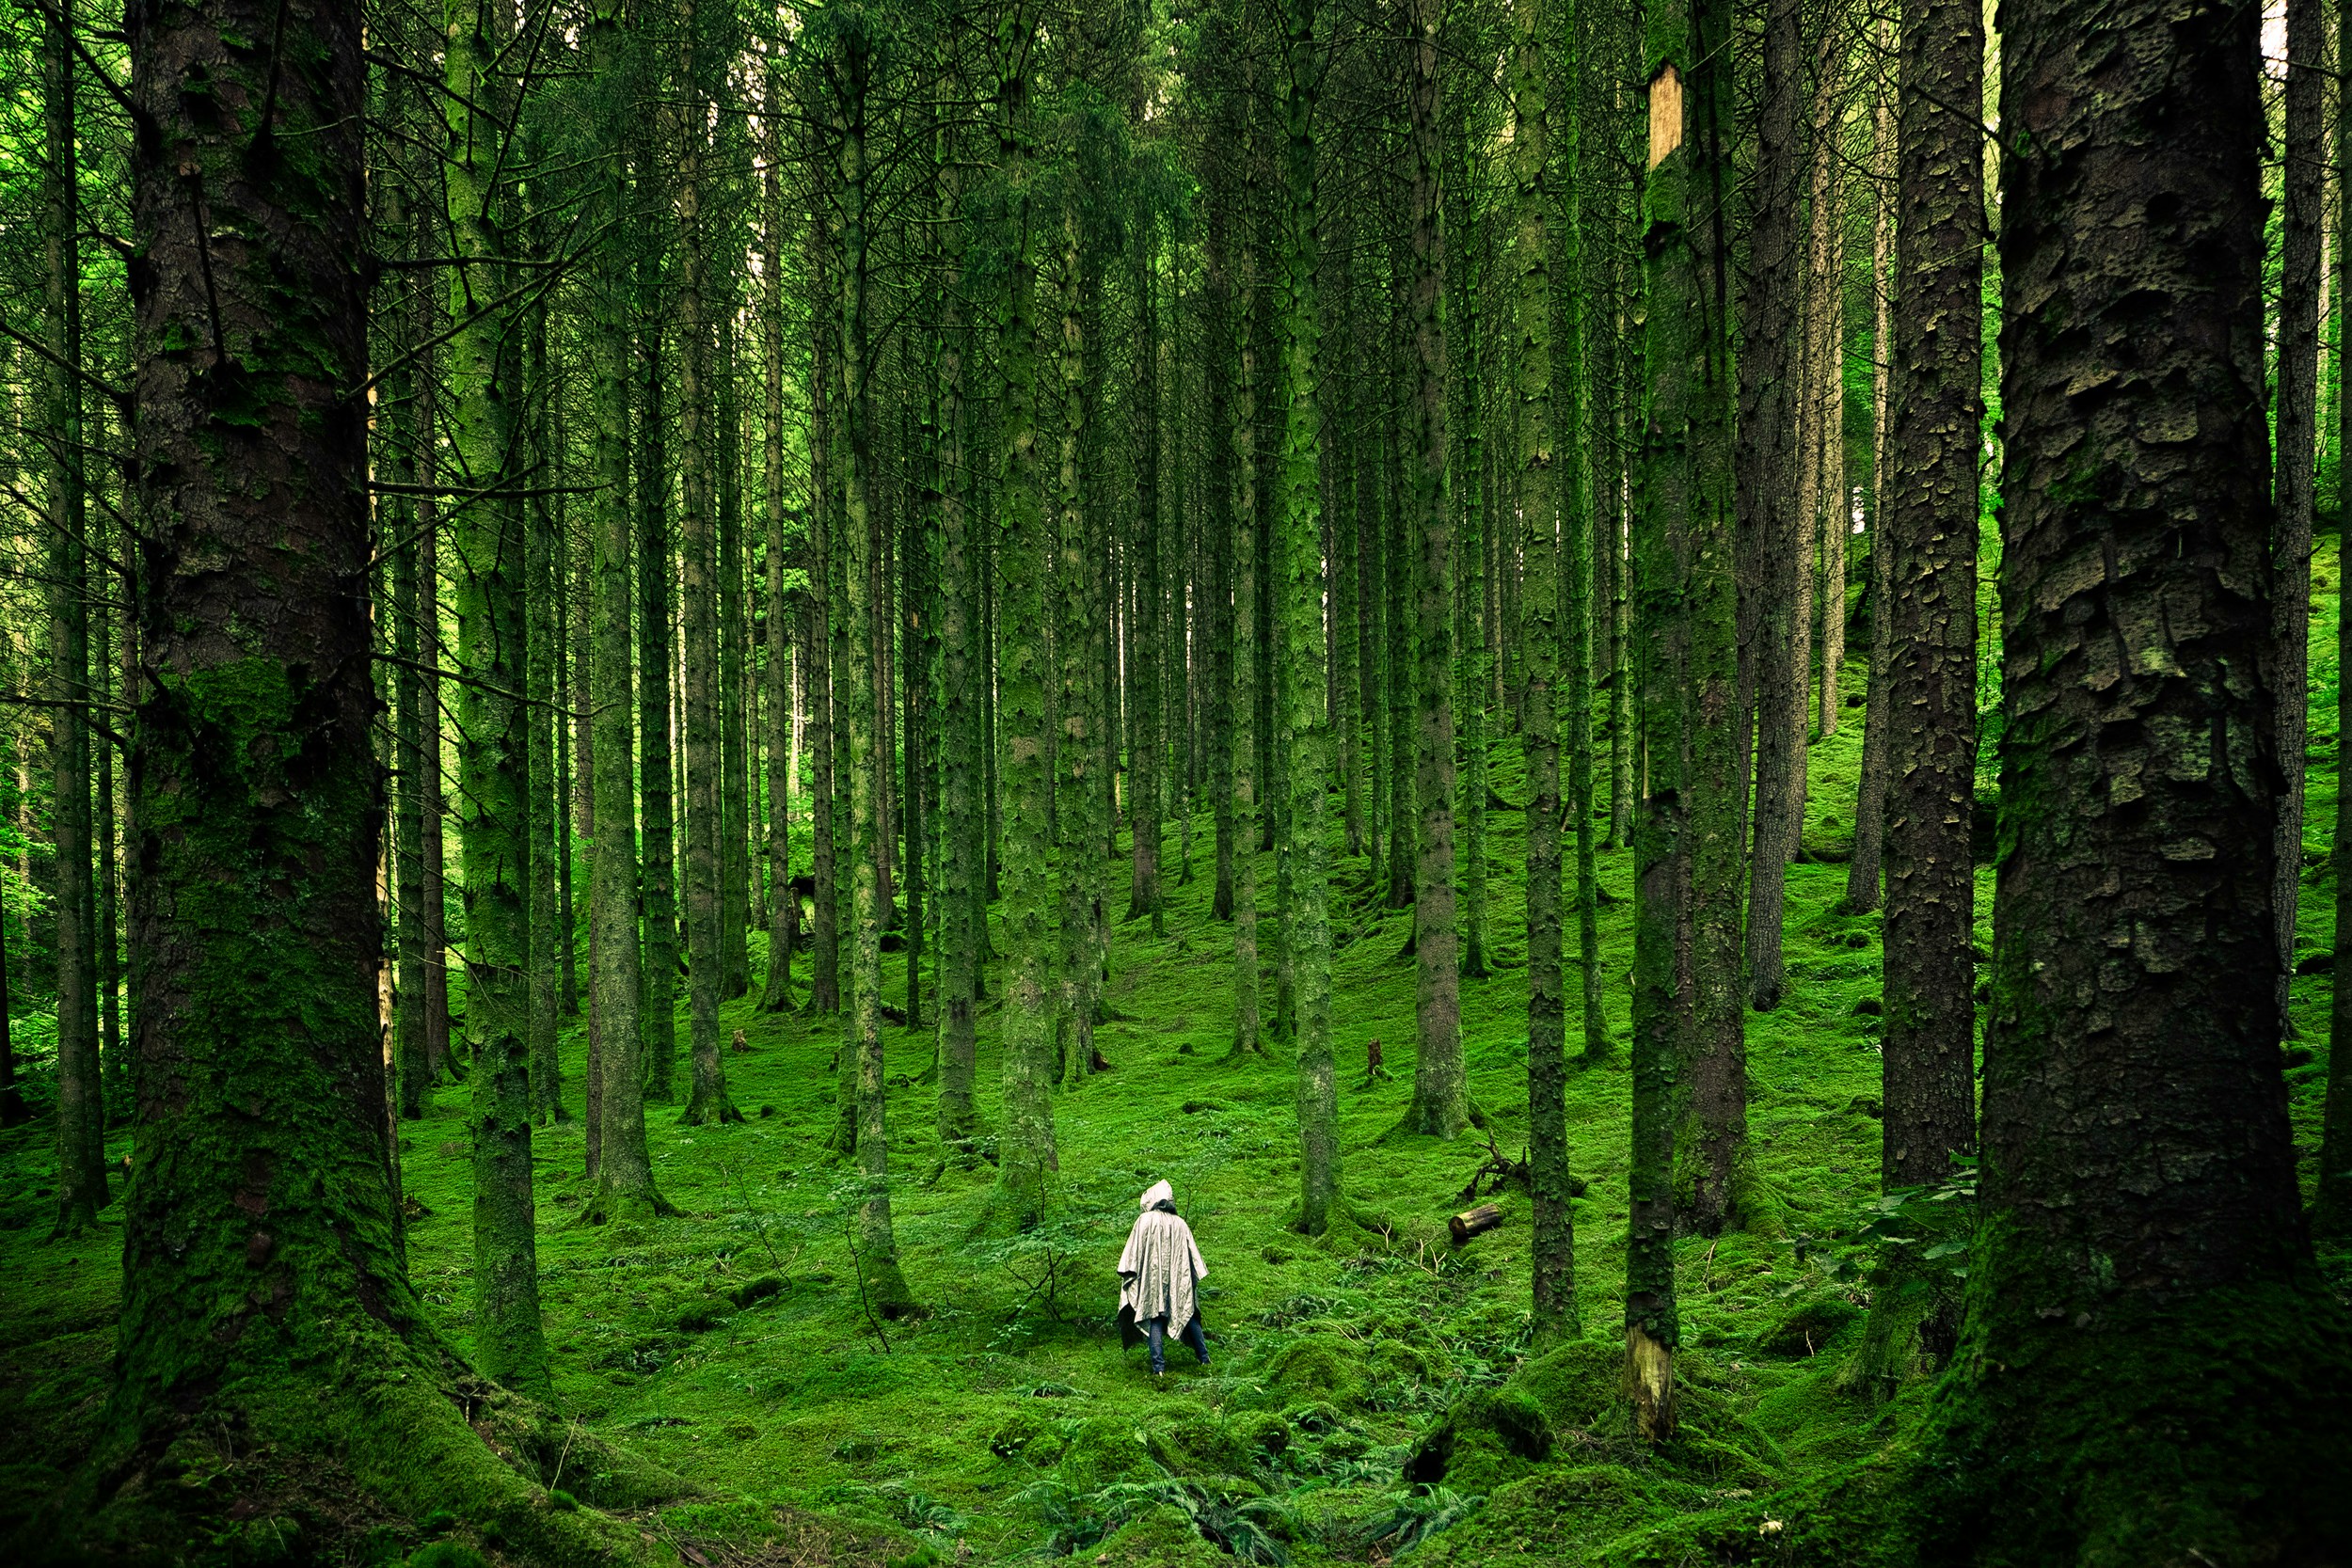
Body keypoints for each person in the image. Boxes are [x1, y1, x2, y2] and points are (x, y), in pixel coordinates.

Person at [1116, 1180, 1210, 1377]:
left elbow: (1133, 1253)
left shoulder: (1144, 1221)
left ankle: (1159, 1368)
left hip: (1152, 1279)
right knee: (1188, 1313)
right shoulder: (1180, 1223)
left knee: (1155, 1316)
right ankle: (1205, 1359)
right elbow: (1194, 1257)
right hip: (1178, 1278)